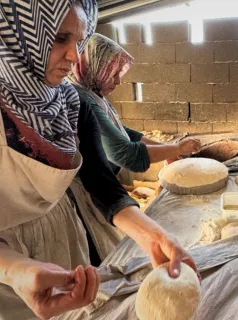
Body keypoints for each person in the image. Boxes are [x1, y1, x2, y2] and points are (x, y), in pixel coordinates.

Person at [0, 1, 198, 319]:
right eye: (60, 38)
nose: (76, 56)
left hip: (65, 234)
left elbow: (100, 184)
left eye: (80, 41)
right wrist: (15, 270)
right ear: (15, 33)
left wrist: (153, 235)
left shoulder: (73, 105)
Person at [67, 33, 201, 176]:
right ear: (95, 68)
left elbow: (123, 133)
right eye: (113, 74)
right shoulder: (82, 100)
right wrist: (179, 148)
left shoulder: (91, 91)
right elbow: (125, 154)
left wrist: (168, 149)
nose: (118, 81)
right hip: (90, 184)